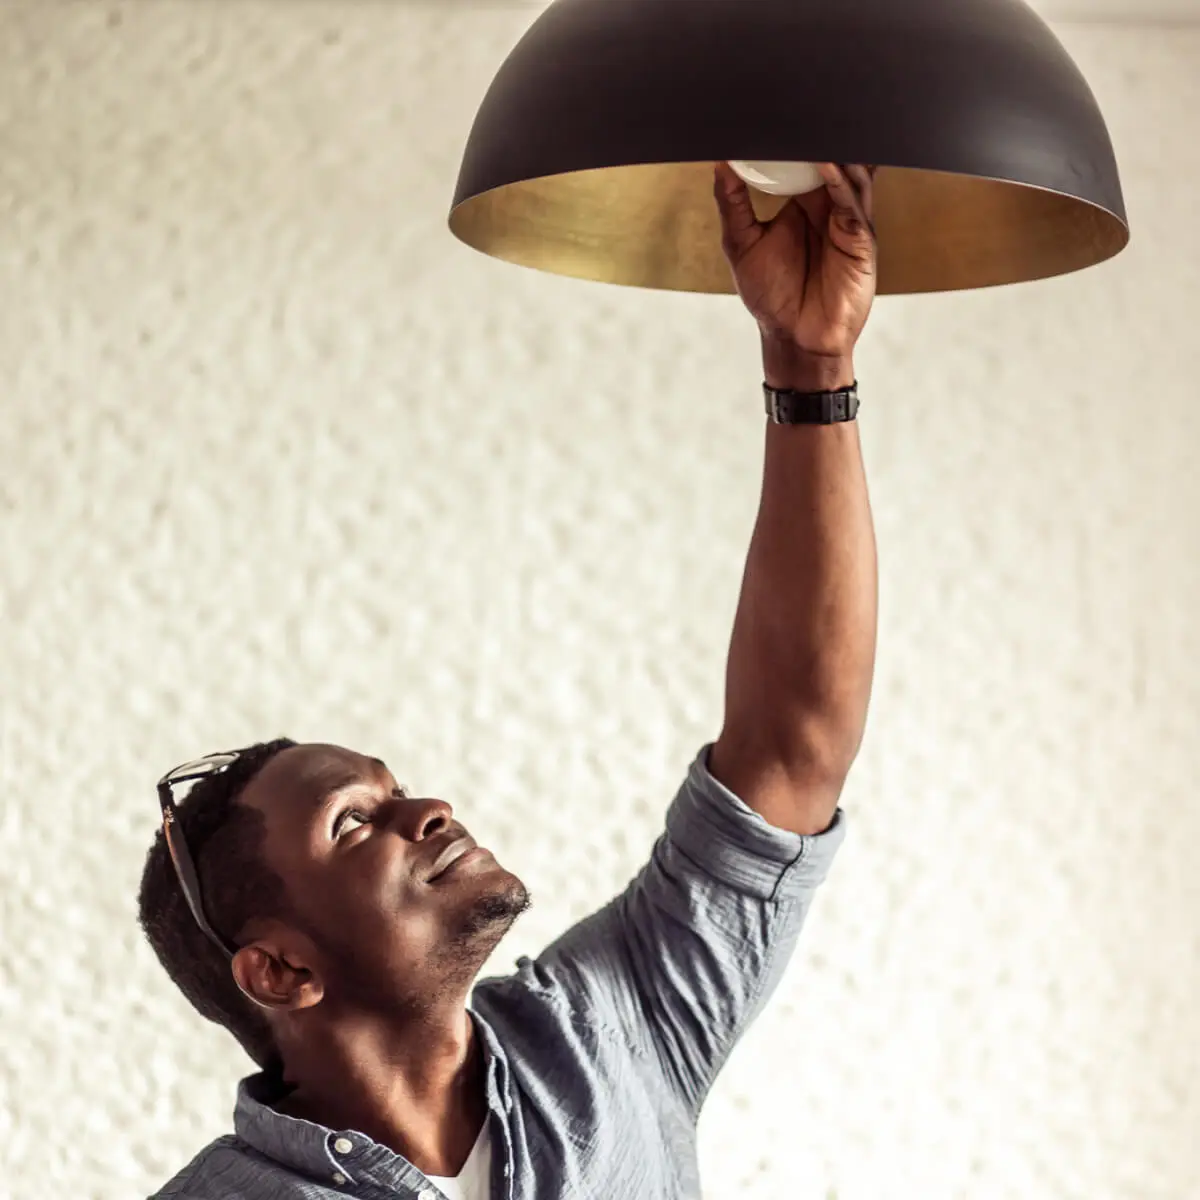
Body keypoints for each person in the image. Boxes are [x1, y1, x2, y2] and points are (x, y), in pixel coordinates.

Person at [137, 161, 880, 1200]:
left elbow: (792, 749)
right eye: (354, 824)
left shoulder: (612, 1033)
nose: (429, 811)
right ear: (281, 972)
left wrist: (812, 366)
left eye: (395, 791)